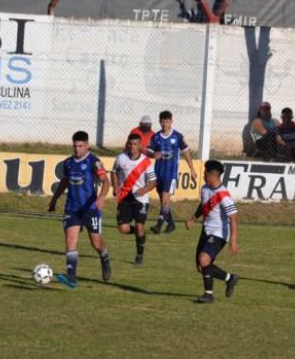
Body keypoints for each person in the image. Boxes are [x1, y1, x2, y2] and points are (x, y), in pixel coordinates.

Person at [47, 130, 112, 288]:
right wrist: (54, 199)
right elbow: (64, 182)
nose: (77, 149)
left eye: (80, 146)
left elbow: (106, 181)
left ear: (87, 146)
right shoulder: (68, 163)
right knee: (70, 241)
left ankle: (104, 258)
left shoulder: (94, 162)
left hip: (90, 209)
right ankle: (71, 278)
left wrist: (101, 197)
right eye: (75, 146)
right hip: (72, 208)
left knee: (96, 243)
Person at [186, 160, 240, 303]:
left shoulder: (224, 196)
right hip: (206, 231)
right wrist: (193, 218)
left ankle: (208, 295)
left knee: (204, 259)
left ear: (212, 175)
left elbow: (233, 217)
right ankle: (230, 278)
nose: (203, 175)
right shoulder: (205, 188)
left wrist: (233, 239)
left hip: (219, 233)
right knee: (201, 267)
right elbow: (203, 205)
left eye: (205, 173)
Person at [111, 133, 157, 265]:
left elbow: (153, 182)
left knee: (139, 225)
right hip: (124, 197)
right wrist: (115, 187)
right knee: (122, 229)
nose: (132, 146)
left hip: (140, 199)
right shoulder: (120, 158)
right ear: (127, 144)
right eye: (130, 144)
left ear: (140, 145)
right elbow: (114, 172)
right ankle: (139, 234)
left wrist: (145, 189)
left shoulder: (146, 162)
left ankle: (139, 255)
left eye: (135, 144)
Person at [148, 109, 197, 234]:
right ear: (159, 122)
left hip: (171, 174)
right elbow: (149, 151)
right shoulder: (156, 137)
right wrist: (154, 154)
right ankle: (171, 224)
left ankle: (159, 224)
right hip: (158, 172)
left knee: (165, 199)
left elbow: (185, 151)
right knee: (163, 200)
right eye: (163, 122)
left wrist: (192, 169)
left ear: (171, 122)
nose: (165, 124)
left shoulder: (177, 136)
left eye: (167, 122)